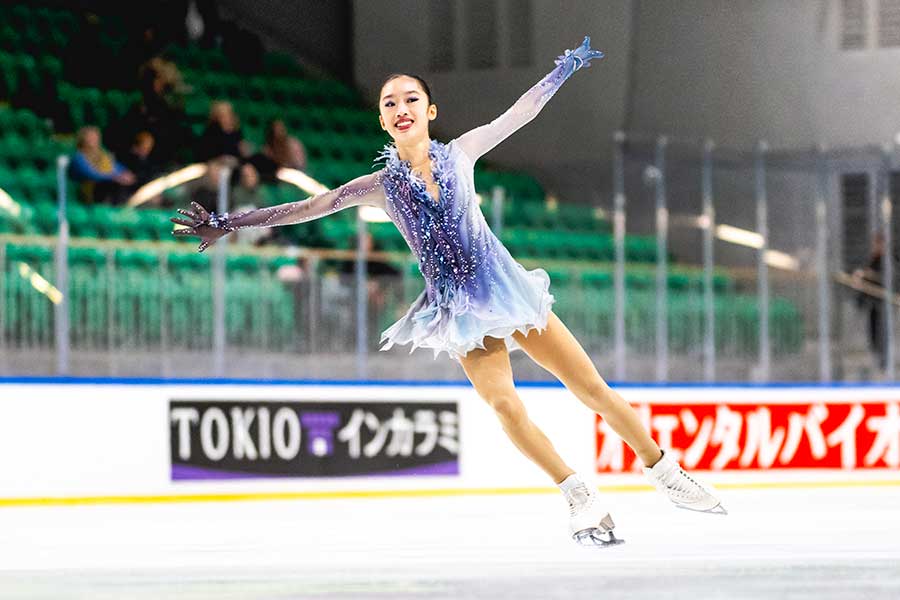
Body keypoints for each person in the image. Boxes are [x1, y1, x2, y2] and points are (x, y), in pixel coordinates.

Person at [170, 37, 726, 546]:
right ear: (384, 120)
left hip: (505, 288)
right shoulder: (379, 187)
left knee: (592, 390)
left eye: (410, 98)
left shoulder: (461, 153)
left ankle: (665, 472)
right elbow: (308, 207)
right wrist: (231, 222)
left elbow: (519, 114)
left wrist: (562, 72)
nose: (400, 107)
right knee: (504, 405)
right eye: (389, 102)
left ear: (429, 111)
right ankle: (577, 494)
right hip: (458, 307)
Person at [69, 126, 136, 204]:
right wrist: (115, 177)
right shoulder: (78, 157)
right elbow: (91, 174)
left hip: (107, 185)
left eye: (95, 136)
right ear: (82, 139)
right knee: (113, 184)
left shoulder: (102, 154)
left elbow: (115, 167)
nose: (93, 139)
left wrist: (124, 173)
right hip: (89, 189)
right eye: (90, 137)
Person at [854, 233, 888, 371]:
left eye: (878, 243)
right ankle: (878, 358)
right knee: (874, 332)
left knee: (882, 333)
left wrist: (867, 275)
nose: (875, 247)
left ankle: (884, 362)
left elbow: (886, 278)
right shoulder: (873, 259)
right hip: (873, 304)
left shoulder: (886, 260)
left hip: (883, 304)